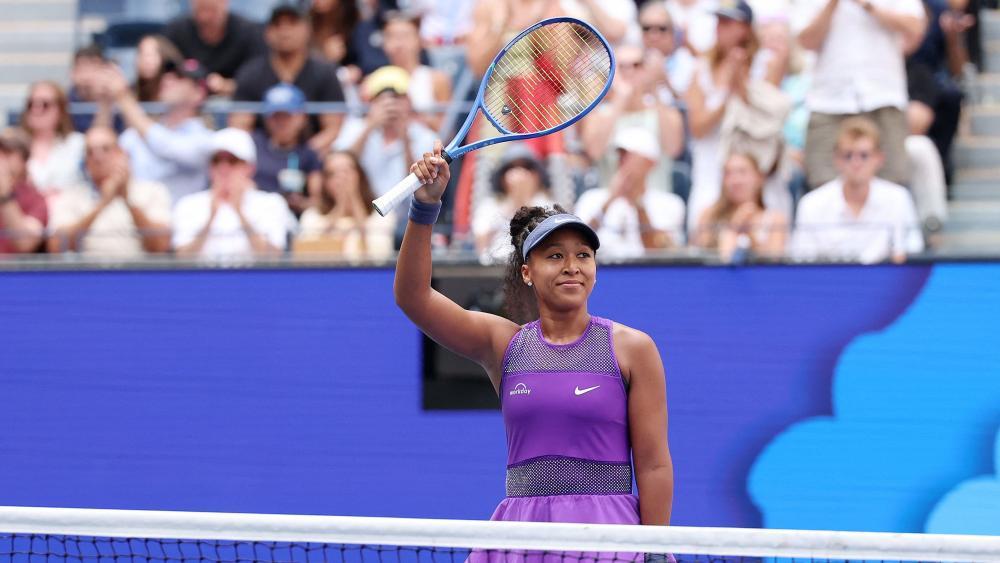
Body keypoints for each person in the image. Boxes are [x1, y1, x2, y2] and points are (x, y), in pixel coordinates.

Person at [397, 140, 673, 527]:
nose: (572, 266)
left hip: (610, 537)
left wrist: (655, 553)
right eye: (555, 256)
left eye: (583, 255)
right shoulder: (505, 344)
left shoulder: (632, 348)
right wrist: (424, 206)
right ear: (527, 272)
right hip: (523, 534)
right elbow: (413, 298)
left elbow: (655, 464)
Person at [793, 0, 926, 189]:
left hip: (884, 96)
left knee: (892, 184)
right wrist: (832, 4)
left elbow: (915, 27)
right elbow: (806, 40)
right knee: (822, 186)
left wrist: (868, 6)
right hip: (829, 101)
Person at [793, 117, 924, 264]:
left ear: (879, 158)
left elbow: (911, 253)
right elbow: (802, 263)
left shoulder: (898, 198)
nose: (856, 163)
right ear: (836, 159)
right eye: (848, 155)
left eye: (864, 155)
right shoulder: (811, 204)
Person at [231, 4, 346, 155]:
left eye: (292, 23)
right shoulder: (250, 73)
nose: (284, 32)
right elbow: (240, 128)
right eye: (277, 25)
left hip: (313, 158)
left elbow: (333, 128)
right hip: (261, 161)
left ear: (307, 29)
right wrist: (268, 156)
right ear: (267, 32)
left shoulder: (324, 72)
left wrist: (304, 155)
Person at [47, 127, 172, 257]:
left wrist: (128, 201)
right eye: (90, 152)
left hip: (138, 273)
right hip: (87, 272)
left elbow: (161, 245)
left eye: (105, 149)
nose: (97, 157)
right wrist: (102, 204)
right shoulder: (71, 195)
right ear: (85, 162)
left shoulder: (153, 190)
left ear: (121, 153)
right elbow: (56, 246)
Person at [580, 44, 685, 195]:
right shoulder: (596, 116)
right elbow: (594, 152)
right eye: (621, 66)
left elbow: (673, 148)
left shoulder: (667, 112)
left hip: (656, 204)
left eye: (637, 65)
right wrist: (620, 101)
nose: (629, 72)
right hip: (612, 205)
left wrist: (654, 88)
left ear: (647, 70)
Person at [173, 128, 294, 259]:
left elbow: (273, 257)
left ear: (250, 168)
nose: (223, 168)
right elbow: (182, 257)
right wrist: (210, 218)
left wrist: (240, 212)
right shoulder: (188, 204)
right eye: (216, 161)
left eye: (232, 161)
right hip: (203, 279)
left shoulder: (271, 203)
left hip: (252, 279)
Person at [108, 58, 215, 204]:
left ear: (199, 93)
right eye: (167, 74)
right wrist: (105, 101)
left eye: (179, 77)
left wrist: (124, 98)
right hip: (134, 220)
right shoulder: (134, 134)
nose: (167, 79)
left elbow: (166, 146)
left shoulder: (206, 139)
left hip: (179, 222)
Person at [575, 128, 686, 259]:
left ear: (650, 162)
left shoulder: (670, 204)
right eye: (620, 155)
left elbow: (659, 253)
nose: (622, 161)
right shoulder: (591, 198)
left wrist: (638, 204)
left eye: (629, 155)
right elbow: (577, 245)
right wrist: (610, 200)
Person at [333, 66, 437, 197]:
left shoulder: (426, 137)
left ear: (409, 101)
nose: (389, 104)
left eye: (397, 97)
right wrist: (370, 126)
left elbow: (423, 187)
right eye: (380, 98)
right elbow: (338, 166)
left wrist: (405, 137)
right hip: (365, 211)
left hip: (407, 212)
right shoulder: (355, 128)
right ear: (371, 103)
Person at [294, 150, 394, 260]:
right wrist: (340, 205)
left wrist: (353, 198)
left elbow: (379, 256)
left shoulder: (381, 214)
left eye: (347, 171)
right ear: (325, 182)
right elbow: (310, 255)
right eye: (333, 174)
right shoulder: (311, 216)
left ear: (360, 175)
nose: (341, 178)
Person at [694, 152, 788, 261]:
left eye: (742, 172)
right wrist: (734, 226)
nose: (735, 180)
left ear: (759, 178)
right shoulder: (708, 214)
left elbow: (774, 263)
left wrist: (750, 235)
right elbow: (700, 256)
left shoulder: (775, 219)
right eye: (728, 174)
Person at [163, 0, 266, 97]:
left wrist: (227, 86)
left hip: (237, 102)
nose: (205, 18)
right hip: (187, 102)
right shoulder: (176, 31)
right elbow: (164, 73)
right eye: (201, 9)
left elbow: (259, 79)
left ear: (224, 3)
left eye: (210, 10)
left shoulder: (249, 32)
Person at [472, 144, 555, 265]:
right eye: (512, 168)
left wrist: (524, 202)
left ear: (537, 175)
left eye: (527, 167)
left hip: (535, 270)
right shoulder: (489, 206)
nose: (520, 174)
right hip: (495, 270)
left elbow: (552, 244)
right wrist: (513, 203)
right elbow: (481, 246)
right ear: (502, 177)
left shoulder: (548, 204)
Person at [252, 83, 322, 217]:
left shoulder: (308, 154)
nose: (281, 122)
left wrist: (301, 204)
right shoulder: (254, 144)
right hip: (256, 216)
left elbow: (317, 200)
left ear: (302, 117)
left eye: (287, 116)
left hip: (291, 219)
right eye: (275, 116)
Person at [380, 11, 453, 131]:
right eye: (391, 36)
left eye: (404, 36)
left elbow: (448, 131)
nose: (398, 44)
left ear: (419, 40)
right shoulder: (373, 81)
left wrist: (413, 114)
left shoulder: (437, 79)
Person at [19, 81, 85, 200]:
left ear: (60, 110)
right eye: (31, 104)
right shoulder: (14, 146)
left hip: (70, 212)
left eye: (45, 104)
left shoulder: (78, 143)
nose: (36, 109)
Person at [639, 0, 697, 105]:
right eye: (647, 28)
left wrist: (664, 80)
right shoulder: (630, 62)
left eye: (661, 28)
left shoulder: (689, 64)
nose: (653, 35)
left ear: (673, 32)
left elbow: (691, 112)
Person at [0, 128, 47, 254]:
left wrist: (4, 194)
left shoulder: (36, 200)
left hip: (12, 272)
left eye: (7, 152)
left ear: (24, 159)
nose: (1, 158)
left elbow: (25, 243)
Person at [133, 35, 184, 102]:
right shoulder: (134, 91)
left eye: (151, 55)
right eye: (142, 54)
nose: (146, 60)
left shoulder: (175, 86)